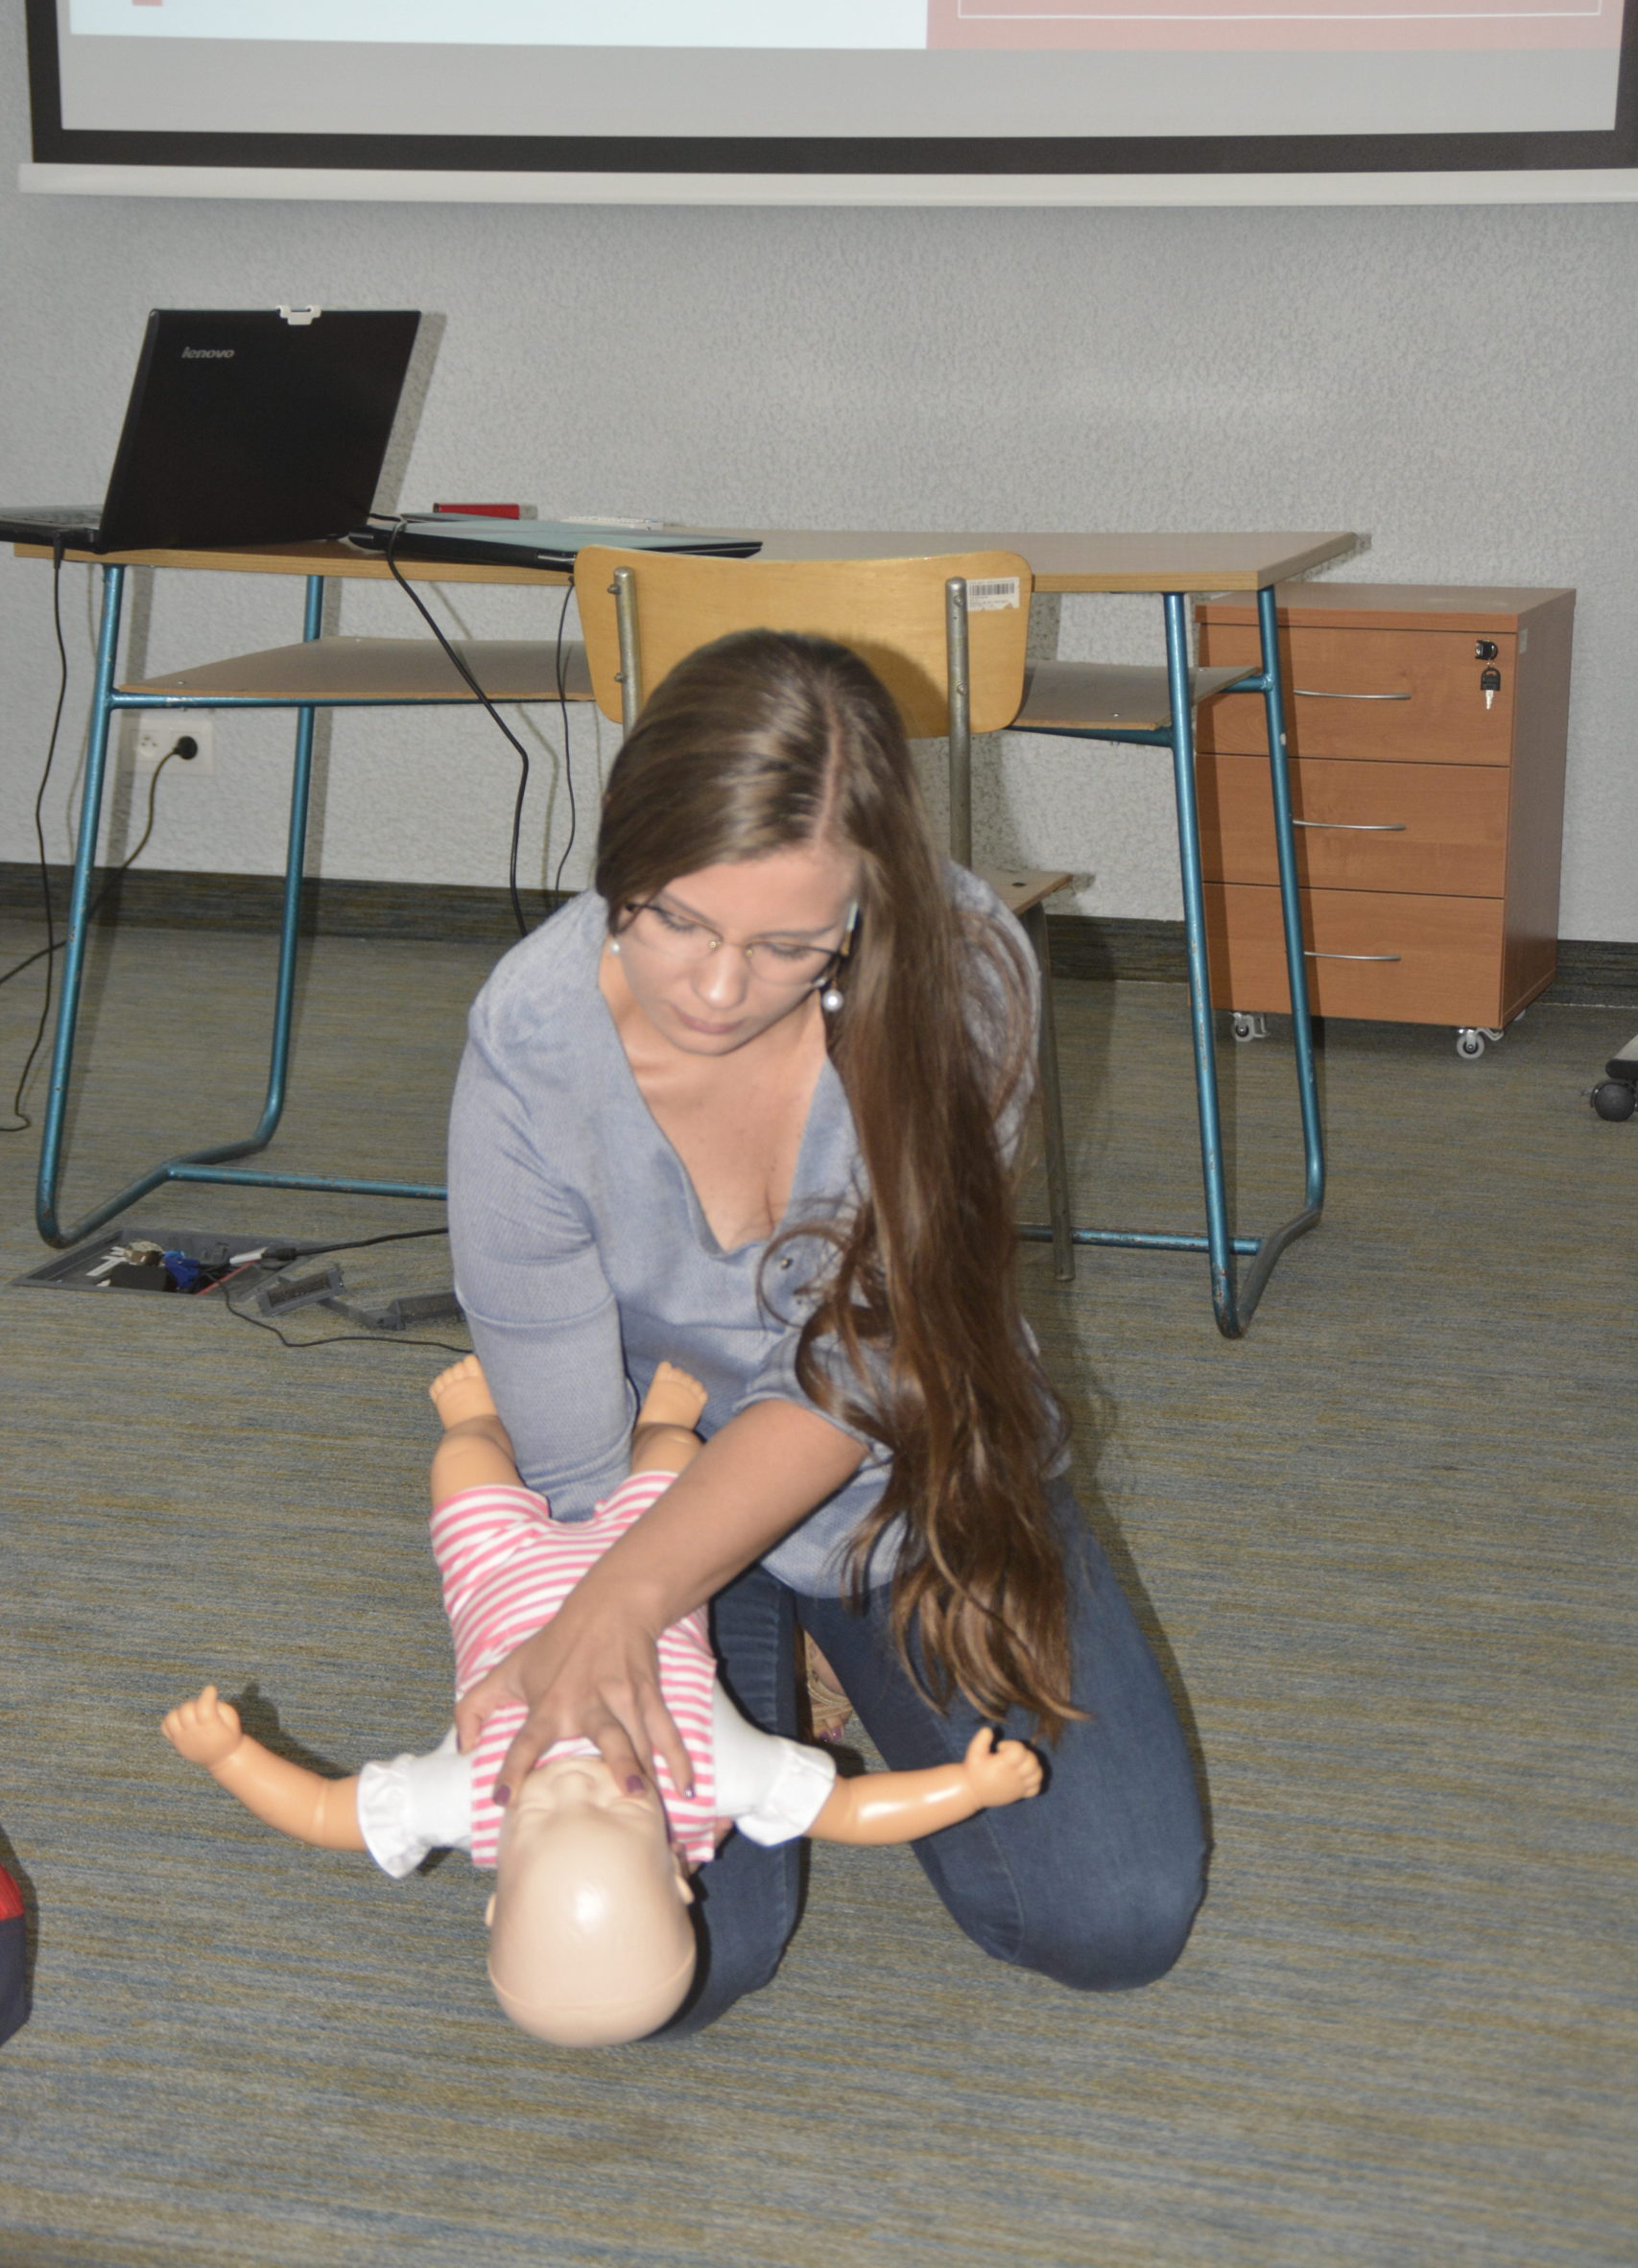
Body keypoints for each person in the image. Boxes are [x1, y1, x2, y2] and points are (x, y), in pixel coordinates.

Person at [447, 628, 1207, 2034]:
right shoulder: (531, 1045)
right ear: (618, 862)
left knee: (1113, 1914)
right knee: (685, 1967)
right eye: (674, 919)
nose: (715, 989)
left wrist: (617, 1617)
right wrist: (614, 1608)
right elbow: (574, 1455)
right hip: (654, 1488)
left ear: (862, 908)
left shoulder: (964, 979)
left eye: (787, 946)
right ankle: (763, 1641)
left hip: (907, 1470)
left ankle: (817, 1645)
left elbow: (874, 1366)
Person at [161, 1356, 1042, 2046]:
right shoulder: (706, 1778)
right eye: (620, 1805)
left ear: (496, 1893)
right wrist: (966, 1787)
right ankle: (661, 1426)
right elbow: (848, 1810)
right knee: (673, 1468)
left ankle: (473, 1423)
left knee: (462, 1468)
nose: (573, 1785)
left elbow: (324, 1813)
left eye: (540, 1817)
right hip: (654, 1558)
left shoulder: (463, 1800)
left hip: (499, 1570)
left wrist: (230, 1758)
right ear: (678, 1869)